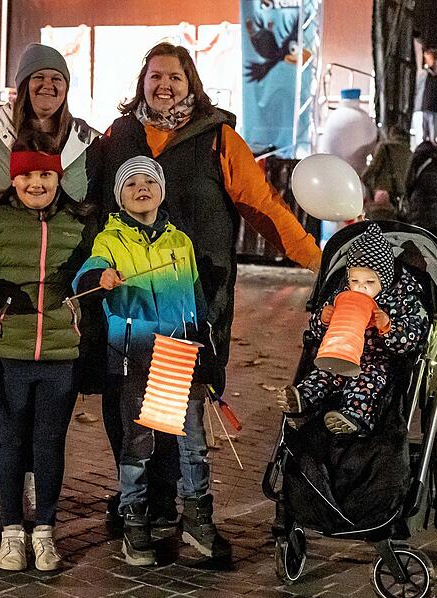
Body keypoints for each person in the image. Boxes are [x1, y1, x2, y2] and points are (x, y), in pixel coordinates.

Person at [95, 42, 322, 528]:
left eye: (174, 77)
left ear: (191, 83)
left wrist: (317, 260)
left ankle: (163, 501)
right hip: (130, 303)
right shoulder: (119, 135)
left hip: (192, 298)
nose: (164, 85)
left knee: (176, 399)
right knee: (127, 402)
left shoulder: (217, 138)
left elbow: (264, 206)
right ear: (142, 82)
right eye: (155, 76)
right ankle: (143, 499)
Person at [0, 43, 99, 523]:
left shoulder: (83, 140)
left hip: (51, 290)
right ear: (22, 85)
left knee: (40, 390)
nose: (48, 86)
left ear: (67, 88)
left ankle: (28, 475)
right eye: (38, 78)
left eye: (57, 79)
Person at [73, 156, 231, 565]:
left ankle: (198, 518)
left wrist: (206, 352)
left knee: (193, 443)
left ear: (161, 191)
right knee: (138, 444)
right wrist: (99, 278)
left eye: (149, 181)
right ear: (119, 197)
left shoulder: (180, 243)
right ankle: (135, 520)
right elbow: (86, 275)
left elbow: (196, 302)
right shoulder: (110, 241)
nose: (141, 188)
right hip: (136, 356)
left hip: (179, 353)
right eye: (131, 184)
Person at [0, 142, 96, 572]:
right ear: (13, 180)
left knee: (50, 443)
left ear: (58, 178)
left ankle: (45, 531)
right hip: (8, 350)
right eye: (27, 175)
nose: (36, 183)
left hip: (61, 350)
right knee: (10, 442)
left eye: (45, 175)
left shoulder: (79, 223)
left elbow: (94, 265)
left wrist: (101, 277)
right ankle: (12, 532)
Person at [279, 224, 429, 435]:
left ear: (385, 279)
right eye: (354, 280)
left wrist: (388, 327)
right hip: (339, 354)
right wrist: (323, 319)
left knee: (365, 385)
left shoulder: (402, 301)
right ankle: (302, 403)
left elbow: (412, 339)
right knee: (321, 375)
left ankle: (353, 418)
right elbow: (318, 334)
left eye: (370, 281)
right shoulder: (342, 296)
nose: (361, 287)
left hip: (376, 362)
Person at [403, 140, 437, 239]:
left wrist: (409, 203)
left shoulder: (417, 159)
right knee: (436, 242)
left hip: (420, 212)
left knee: (419, 241)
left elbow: (408, 183)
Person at [361, 125, 412, 213]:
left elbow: (374, 166)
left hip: (383, 190)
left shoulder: (385, 147)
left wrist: (362, 178)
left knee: (381, 217)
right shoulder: (409, 152)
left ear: (392, 134)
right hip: (400, 194)